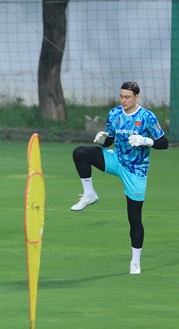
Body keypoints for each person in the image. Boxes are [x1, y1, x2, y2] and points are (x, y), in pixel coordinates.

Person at [71, 81, 169, 275]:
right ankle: (89, 194)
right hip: (116, 159)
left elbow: (164, 143)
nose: (123, 100)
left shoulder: (147, 116)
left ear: (136, 98)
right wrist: (102, 140)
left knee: (134, 218)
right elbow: (110, 139)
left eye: (127, 97)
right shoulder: (115, 113)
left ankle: (135, 261)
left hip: (136, 170)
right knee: (80, 152)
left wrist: (145, 140)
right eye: (121, 96)